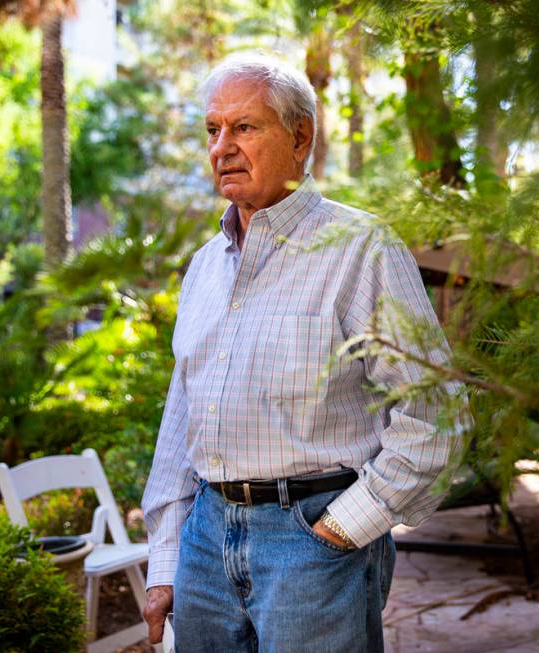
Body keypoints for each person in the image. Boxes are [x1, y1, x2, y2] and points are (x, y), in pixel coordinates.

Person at [140, 52, 462, 652]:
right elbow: (181, 416)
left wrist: (344, 529)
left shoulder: (361, 248)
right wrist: (166, 560)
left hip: (313, 539)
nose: (222, 148)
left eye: (244, 127)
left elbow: (435, 411)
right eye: (213, 130)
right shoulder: (204, 267)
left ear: (300, 138)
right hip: (205, 541)